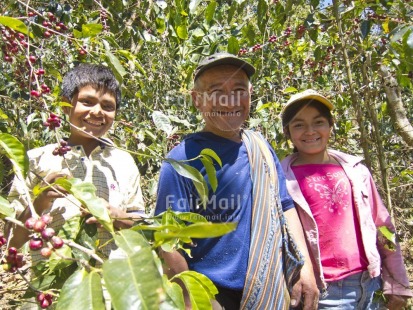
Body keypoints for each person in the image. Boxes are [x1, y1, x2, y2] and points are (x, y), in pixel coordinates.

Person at [155, 52, 319, 310]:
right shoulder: (181, 162)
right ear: (197, 100)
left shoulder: (261, 147)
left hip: (273, 288)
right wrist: (190, 301)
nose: (229, 100)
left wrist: (305, 269)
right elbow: (168, 241)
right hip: (213, 295)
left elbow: (285, 207)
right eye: (216, 90)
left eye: (239, 90)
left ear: (250, 95)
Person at [280, 89, 412, 309]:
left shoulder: (356, 171)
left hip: (370, 284)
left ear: (331, 125)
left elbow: (382, 226)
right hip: (322, 291)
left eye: (318, 122)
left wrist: (397, 281)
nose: (310, 131)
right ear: (287, 132)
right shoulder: (282, 179)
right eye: (299, 124)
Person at [6, 63, 145, 260]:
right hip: (51, 284)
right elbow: (11, 240)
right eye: (87, 102)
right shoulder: (36, 160)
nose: (98, 112)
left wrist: (117, 216)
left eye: (107, 106)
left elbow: (141, 223)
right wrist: (40, 201)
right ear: (66, 105)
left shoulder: (123, 161)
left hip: (115, 281)